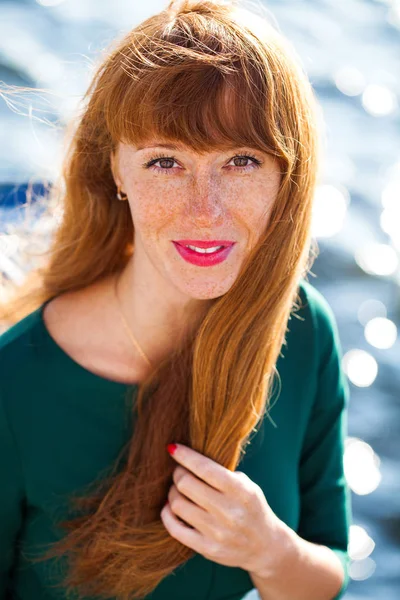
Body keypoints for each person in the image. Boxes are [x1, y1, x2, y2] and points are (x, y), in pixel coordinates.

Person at [0, 0, 352, 599]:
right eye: (165, 162)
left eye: (242, 161)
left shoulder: (304, 331)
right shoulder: (15, 385)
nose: (206, 210)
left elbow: (329, 577)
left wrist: (268, 548)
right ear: (115, 169)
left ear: (284, 176)